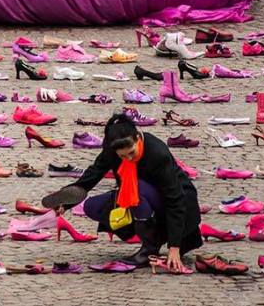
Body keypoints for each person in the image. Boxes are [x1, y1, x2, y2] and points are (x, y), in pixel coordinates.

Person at [42, 113, 202, 270]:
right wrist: (67, 203)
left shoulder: (157, 154)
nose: (128, 159)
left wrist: (175, 246)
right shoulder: (112, 150)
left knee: (137, 187)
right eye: (122, 156)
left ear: (138, 137)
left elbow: (175, 200)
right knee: (92, 206)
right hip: (141, 200)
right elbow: (94, 173)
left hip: (179, 206)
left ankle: (149, 249)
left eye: (131, 152)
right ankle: (150, 235)